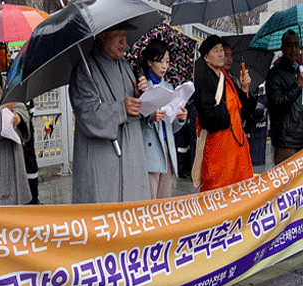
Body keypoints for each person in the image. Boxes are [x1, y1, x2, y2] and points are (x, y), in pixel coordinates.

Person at [69, 21, 150, 203]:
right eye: (117, 35)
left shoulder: (126, 67)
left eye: (125, 35)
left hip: (132, 156)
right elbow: (87, 114)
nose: (123, 41)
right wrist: (120, 109)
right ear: (102, 36)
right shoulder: (85, 69)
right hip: (104, 160)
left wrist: (141, 94)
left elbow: (136, 108)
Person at [193, 35, 256, 192]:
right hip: (219, 153)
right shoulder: (203, 80)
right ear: (206, 57)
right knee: (218, 196)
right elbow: (207, 119)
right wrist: (226, 107)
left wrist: (245, 90)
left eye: (223, 50)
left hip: (236, 152)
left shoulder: (228, 79)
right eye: (217, 51)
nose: (221, 54)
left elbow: (245, 111)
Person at [0, 42, 32, 205]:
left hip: (13, 155)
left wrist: (16, 114)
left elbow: (20, 105)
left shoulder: (4, 79)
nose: (9, 53)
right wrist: (4, 111)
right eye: (5, 49)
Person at [140, 39, 188, 199]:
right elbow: (136, 121)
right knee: (150, 201)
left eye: (167, 61)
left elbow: (171, 126)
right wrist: (150, 116)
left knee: (164, 202)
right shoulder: (142, 86)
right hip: (149, 150)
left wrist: (180, 118)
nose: (164, 66)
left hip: (167, 149)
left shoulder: (169, 88)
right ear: (149, 61)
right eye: (160, 61)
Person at [266, 30, 303, 165]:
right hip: (286, 142)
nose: (294, 49)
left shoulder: (299, 70)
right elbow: (277, 104)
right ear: (282, 48)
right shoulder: (275, 74)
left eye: (296, 45)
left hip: (300, 138)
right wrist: (297, 86)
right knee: (288, 185)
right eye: (289, 45)